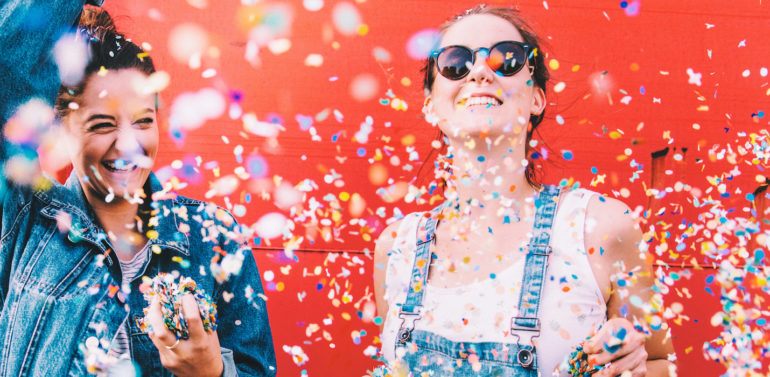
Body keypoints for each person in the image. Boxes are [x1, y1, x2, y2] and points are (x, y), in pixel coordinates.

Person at [373, 5, 675, 376]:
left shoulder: (601, 227)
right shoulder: (397, 247)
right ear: (431, 105)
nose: (481, 71)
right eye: (455, 63)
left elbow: (660, 362)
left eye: (508, 59)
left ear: (536, 99)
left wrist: (633, 366)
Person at [0, 6, 276, 377]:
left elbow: (257, 369)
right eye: (103, 123)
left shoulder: (214, 236)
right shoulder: (25, 216)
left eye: (143, 120)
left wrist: (212, 371)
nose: (129, 144)